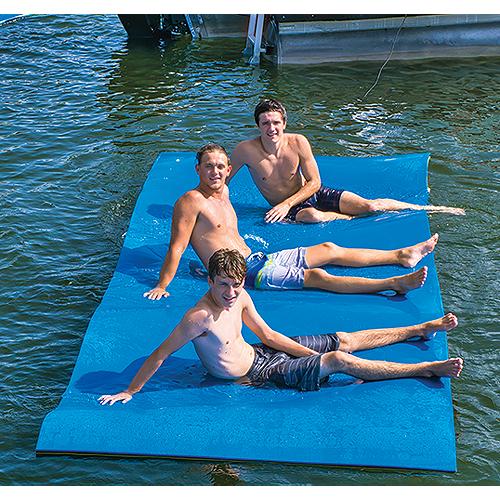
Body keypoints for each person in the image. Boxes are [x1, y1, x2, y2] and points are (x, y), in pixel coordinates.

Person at [99, 248, 463, 403]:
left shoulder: (241, 297)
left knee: (343, 340)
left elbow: (268, 335)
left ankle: (418, 328)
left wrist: (304, 353)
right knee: (338, 360)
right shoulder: (199, 318)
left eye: (235, 284)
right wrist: (130, 390)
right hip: (257, 374)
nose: (230, 292)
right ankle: (425, 368)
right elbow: (160, 354)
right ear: (209, 281)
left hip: (262, 352)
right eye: (223, 285)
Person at [144, 143, 435, 301]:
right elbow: (177, 247)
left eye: (220, 166)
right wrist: (162, 284)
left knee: (329, 248)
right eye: (208, 166)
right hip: (247, 274)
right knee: (318, 277)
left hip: (258, 258)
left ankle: (401, 255)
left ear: (229, 170)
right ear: (197, 169)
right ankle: (394, 283)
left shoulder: (224, 192)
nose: (215, 172)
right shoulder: (190, 201)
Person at [228, 98, 465, 224]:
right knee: (312, 217)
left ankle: (428, 209)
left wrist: (286, 204)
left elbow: (315, 182)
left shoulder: (298, 142)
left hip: (307, 196)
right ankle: (347, 219)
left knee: (370, 207)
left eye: (276, 123)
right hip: (292, 210)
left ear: (284, 123)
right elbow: (221, 180)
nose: (271, 128)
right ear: (258, 126)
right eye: (265, 123)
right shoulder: (245, 150)